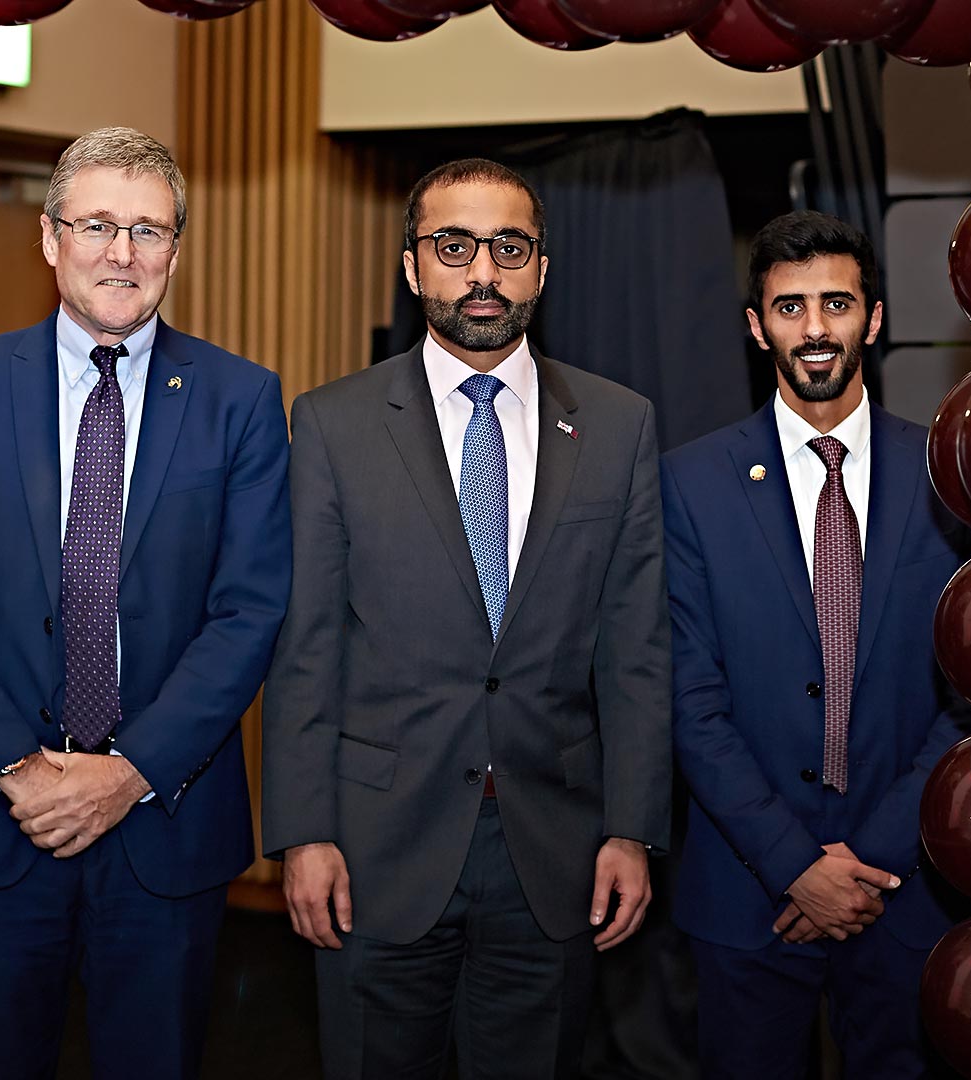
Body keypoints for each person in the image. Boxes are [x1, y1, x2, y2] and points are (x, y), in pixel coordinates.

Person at [0, 126, 291, 1080]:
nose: (124, 253)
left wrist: (128, 772)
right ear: (49, 236)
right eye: (99, 225)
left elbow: (250, 612)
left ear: (176, 252)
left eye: (150, 230)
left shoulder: (241, 399)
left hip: (164, 823)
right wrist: (17, 769)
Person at [262, 157, 670, 1080]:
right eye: (455, 247)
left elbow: (637, 650)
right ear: (413, 268)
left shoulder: (618, 424)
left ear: (541, 268)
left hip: (556, 850)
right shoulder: (331, 423)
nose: (482, 273)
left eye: (508, 248)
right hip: (375, 846)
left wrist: (631, 829)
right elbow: (307, 648)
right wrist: (304, 833)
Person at [661, 210, 971, 1078]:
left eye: (835, 303)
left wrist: (868, 859)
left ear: (873, 319)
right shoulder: (689, 484)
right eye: (790, 307)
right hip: (747, 889)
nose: (814, 328)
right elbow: (689, 699)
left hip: (905, 887)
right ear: (756, 325)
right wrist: (795, 865)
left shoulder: (949, 475)